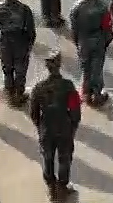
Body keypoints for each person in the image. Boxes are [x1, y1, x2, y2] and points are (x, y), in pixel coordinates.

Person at [29, 51, 83, 199]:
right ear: (59, 65)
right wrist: (73, 126)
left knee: (48, 158)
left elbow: (33, 113)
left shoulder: (39, 88)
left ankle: (51, 186)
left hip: (46, 128)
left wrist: (40, 127)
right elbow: (75, 110)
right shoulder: (68, 86)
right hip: (64, 127)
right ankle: (62, 186)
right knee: (64, 158)